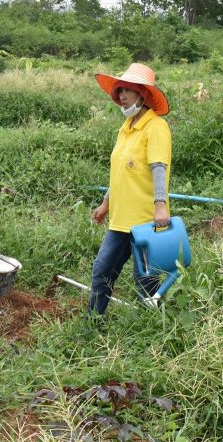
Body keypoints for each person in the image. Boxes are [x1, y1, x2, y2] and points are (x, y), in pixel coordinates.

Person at [88, 63, 172, 315]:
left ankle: (151, 333)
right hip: (120, 221)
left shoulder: (155, 127)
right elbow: (120, 173)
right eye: (119, 90)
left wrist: (161, 207)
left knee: (145, 281)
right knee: (101, 273)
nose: (121, 96)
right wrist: (106, 203)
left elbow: (159, 168)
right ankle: (93, 325)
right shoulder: (124, 130)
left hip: (145, 222)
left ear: (142, 94)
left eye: (127, 90)